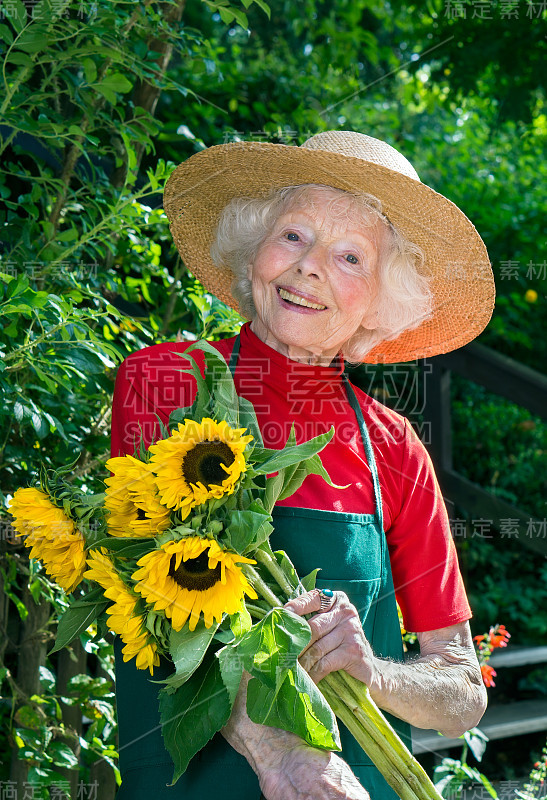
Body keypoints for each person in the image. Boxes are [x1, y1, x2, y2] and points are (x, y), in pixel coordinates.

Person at [110, 131, 494, 799]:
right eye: (293, 235)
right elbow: (161, 597)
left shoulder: (395, 448)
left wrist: (371, 669)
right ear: (252, 249)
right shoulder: (167, 382)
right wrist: (286, 758)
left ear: (379, 299)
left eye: (350, 256)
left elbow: (460, 690)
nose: (310, 266)